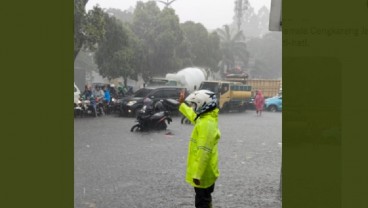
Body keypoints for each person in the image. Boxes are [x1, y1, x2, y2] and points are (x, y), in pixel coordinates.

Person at [178, 89, 221, 208]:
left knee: (202, 202)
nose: (193, 107)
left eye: (195, 105)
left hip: (203, 174)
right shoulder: (206, 118)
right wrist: (182, 105)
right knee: (205, 199)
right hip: (206, 172)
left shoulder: (206, 124)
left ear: (203, 105)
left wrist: (198, 174)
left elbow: (204, 152)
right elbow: (193, 117)